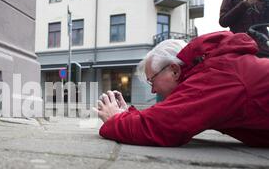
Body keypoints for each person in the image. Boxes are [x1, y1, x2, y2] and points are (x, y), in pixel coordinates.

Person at [95, 31, 269, 147]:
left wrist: (115, 119)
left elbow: (161, 127)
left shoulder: (214, 76)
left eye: (152, 81)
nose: (153, 91)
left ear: (174, 70)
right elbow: (168, 115)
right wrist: (127, 115)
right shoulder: (215, 68)